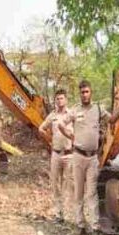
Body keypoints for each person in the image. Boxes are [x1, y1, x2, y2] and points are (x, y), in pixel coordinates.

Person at [59, 79, 119, 235]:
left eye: (87, 92)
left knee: (92, 193)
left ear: (91, 92)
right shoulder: (74, 111)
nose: (85, 95)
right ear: (79, 94)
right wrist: (71, 136)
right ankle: (80, 225)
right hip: (78, 156)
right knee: (79, 192)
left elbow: (113, 119)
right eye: (82, 92)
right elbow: (61, 124)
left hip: (93, 158)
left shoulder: (99, 109)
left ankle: (95, 227)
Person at [39, 89, 73, 222]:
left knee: (68, 184)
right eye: (57, 99)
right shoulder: (52, 116)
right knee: (55, 184)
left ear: (66, 100)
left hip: (69, 154)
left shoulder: (71, 114)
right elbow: (41, 128)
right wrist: (49, 138)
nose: (60, 101)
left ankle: (68, 214)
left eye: (62, 98)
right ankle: (59, 214)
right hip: (56, 154)